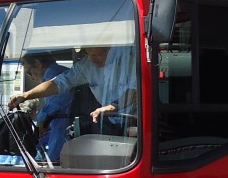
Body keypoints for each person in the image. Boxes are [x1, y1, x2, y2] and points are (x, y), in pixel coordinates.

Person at [9, 45, 137, 137]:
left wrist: (111, 107)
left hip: (138, 123)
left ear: (108, 47)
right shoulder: (87, 65)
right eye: (88, 54)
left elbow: (135, 91)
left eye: (95, 55)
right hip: (111, 124)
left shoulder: (129, 58)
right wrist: (26, 95)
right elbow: (58, 83)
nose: (91, 59)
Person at [19, 53, 71, 161]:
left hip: (64, 129)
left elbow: (56, 103)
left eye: (29, 73)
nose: (32, 78)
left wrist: (41, 120)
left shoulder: (53, 75)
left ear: (38, 64)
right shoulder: (57, 72)